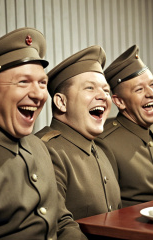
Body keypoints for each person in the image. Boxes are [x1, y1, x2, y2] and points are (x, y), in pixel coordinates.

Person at [0, 27, 86, 240]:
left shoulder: (38, 145)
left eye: (42, 83)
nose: (39, 94)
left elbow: (62, 220)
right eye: (23, 82)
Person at [35, 45, 121, 220]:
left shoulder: (102, 150)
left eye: (106, 90)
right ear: (61, 102)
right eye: (90, 88)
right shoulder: (45, 150)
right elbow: (57, 224)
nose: (103, 96)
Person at [96, 45, 153, 208]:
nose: (151, 93)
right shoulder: (105, 141)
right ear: (119, 101)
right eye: (139, 89)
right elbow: (111, 206)